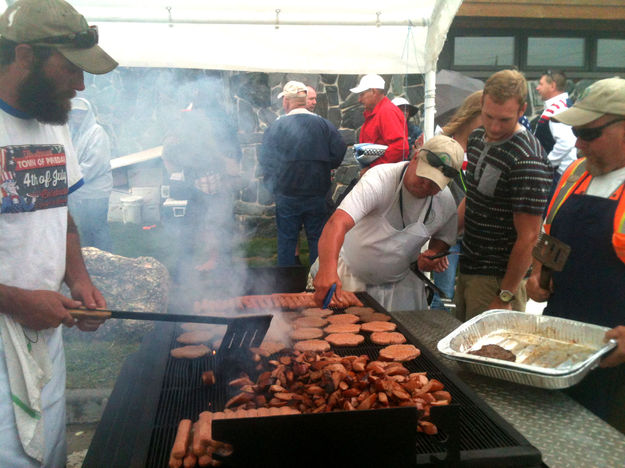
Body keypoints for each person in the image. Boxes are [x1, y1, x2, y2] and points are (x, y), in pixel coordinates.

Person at [0, 0, 116, 465]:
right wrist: (14, 299)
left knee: (47, 452)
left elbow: (59, 211)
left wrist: (79, 278)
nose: (80, 84)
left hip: (43, 329)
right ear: (25, 56)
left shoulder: (52, 119)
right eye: (70, 68)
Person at [527, 77, 625, 431]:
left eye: (589, 133)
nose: (578, 145)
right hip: (563, 341)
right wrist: (537, 274)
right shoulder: (574, 174)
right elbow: (550, 236)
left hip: (615, 359)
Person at [312, 135, 464, 312]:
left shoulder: (445, 201)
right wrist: (327, 269)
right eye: (423, 176)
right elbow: (337, 223)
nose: (425, 185)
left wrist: (434, 253)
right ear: (415, 156)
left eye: (434, 184)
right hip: (350, 276)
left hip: (401, 286)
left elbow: (443, 236)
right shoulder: (379, 179)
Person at [454, 69, 552, 321]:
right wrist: (442, 240)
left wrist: (505, 295)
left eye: (505, 120)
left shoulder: (527, 160)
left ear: (522, 110)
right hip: (468, 267)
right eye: (488, 116)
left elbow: (530, 237)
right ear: (482, 103)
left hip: (499, 279)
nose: (495, 127)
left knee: (484, 358)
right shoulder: (477, 138)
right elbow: (473, 196)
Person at [259, 81, 346, 266]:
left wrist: (273, 184)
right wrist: (326, 166)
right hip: (317, 194)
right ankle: (315, 283)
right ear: (303, 100)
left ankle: (286, 285)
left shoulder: (276, 127)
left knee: (287, 241)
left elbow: (266, 160)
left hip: (287, 194)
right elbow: (339, 149)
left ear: (287, 101)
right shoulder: (323, 125)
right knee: (317, 240)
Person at [429, 90, 483, 311]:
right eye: (486, 117)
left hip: (475, 233)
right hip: (447, 229)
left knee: (468, 292)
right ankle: (433, 339)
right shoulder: (444, 142)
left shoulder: (487, 146)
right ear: (473, 114)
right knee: (444, 292)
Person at [67, 97, 113, 252]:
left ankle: (106, 260)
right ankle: (91, 263)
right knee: (85, 229)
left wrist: (71, 180)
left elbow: (94, 165)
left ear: (88, 114)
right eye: (74, 113)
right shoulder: (73, 133)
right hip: (80, 192)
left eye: (81, 113)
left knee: (98, 229)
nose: (77, 116)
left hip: (95, 192)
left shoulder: (97, 133)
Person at [351, 74, 410, 167]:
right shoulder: (380, 112)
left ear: (374, 91)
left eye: (362, 94)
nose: (359, 99)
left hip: (383, 175)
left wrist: (374, 168)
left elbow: (400, 147)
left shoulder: (387, 111)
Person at [534, 70, 577, 189]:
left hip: (558, 175)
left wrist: (546, 165)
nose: (537, 88)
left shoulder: (557, 109)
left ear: (552, 86)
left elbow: (566, 143)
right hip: (560, 173)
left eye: (541, 84)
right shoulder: (562, 105)